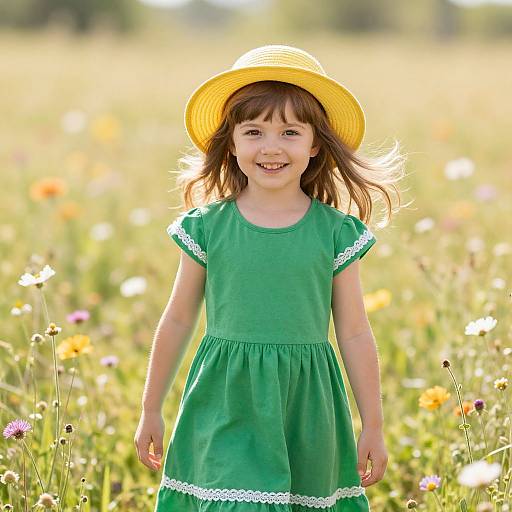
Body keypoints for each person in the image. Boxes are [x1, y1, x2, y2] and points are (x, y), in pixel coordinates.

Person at [135, 44, 407, 511]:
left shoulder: (336, 233)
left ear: (315, 143)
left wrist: (374, 425)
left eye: (290, 131)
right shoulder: (207, 227)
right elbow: (178, 319)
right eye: (254, 131)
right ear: (232, 142)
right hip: (226, 398)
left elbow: (355, 330)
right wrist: (150, 408)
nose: (271, 147)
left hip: (307, 405)